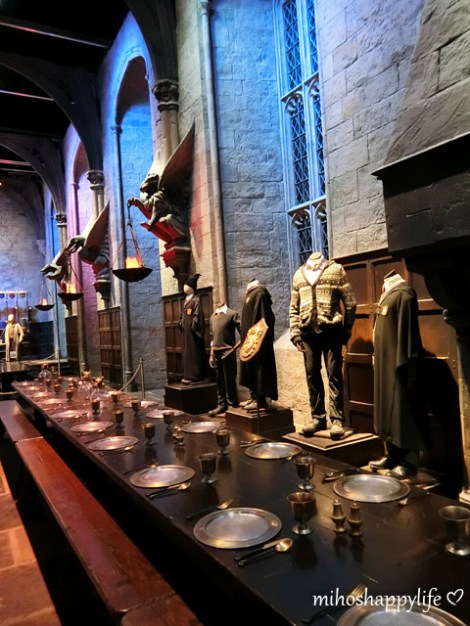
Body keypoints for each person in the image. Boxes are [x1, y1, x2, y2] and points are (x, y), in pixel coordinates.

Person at [289, 252, 356, 440]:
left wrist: (346, 330)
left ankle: (337, 419)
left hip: (331, 331)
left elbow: (350, 302)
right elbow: (294, 308)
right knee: (312, 374)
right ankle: (318, 417)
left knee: (334, 374)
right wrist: (295, 334)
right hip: (307, 334)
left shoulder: (336, 270)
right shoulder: (298, 274)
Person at [369, 271, 425, 479]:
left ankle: (409, 462)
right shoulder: (389, 292)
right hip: (385, 361)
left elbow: (408, 334)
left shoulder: (403, 294)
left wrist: (405, 364)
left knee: (403, 411)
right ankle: (393, 455)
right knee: (388, 410)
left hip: (398, 362)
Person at [239, 278, 278, 410]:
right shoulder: (250, 294)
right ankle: (254, 396)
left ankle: (261, 401)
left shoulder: (260, 293)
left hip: (259, 342)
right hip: (250, 340)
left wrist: (259, 340)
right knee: (251, 368)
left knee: (260, 370)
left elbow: (263, 318)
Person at [208, 303, 241, 417]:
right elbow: (212, 337)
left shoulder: (232, 314)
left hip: (228, 351)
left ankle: (232, 406)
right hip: (216, 352)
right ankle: (221, 405)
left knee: (229, 380)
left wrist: (234, 348)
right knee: (219, 380)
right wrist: (211, 354)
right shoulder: (213, 317)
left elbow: (244, 332)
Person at [179, 273, 207, 383]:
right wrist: (181, 323)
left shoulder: (196, 301)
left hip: (192, 332)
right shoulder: (186, 300)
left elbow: (197, 315)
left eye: (187, 285)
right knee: (187, 353)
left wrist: (193, 326)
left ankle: (195, 375)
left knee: (193, 352)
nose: (185, 287)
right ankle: (187, 374)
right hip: (186, 331)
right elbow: (184, 314)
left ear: (192, 288)